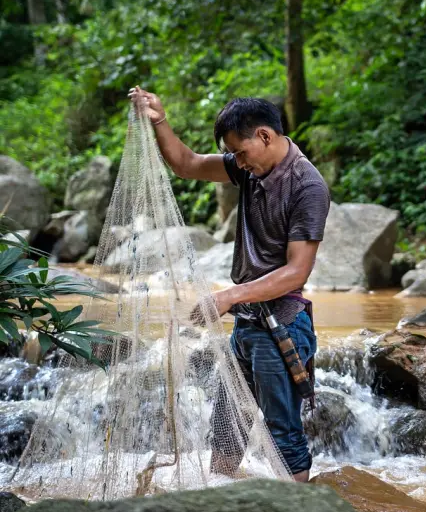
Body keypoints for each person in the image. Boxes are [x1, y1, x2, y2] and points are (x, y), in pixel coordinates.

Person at [128, 86, 330, 483]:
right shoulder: (250, 166)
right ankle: (224, 498)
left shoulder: (307, 186)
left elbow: (297, 272)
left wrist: (228, 296)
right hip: (247, 327)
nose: (237, 162)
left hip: (282, 328)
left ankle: (299, 509)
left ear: (266, 137)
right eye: (233, 154)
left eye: (240, 152)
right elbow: (186, 164)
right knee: (224, 436)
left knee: (284, 438)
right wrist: (160, 120)